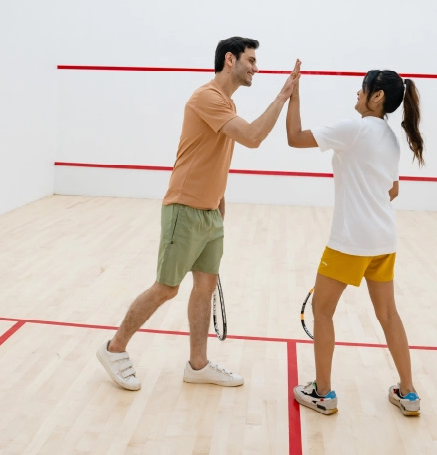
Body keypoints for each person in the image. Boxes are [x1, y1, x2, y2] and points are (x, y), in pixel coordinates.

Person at [97, 37, 301, 390]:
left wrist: (219, 203)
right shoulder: (207, 98)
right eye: (251, 60)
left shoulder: (226, 103)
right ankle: (114, 349)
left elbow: (215, 156)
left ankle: (198, 363)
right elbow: (252, 138)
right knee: (165, 288)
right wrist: (283, 96)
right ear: (229, 60)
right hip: (184, 209)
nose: (256, 67)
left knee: (204, 287)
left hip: (209, 214)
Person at [285, 69, 425, 416]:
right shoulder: (391, 138)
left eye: (362, 89)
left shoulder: (354, 128)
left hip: (350, 241)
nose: (357, 93)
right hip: (384, 239)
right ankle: (408, 394)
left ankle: (323, 392)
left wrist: (294, 95)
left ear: (377, 96)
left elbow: (294, 137)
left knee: (323, 311)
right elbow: (392, 190)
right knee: (389, 314)